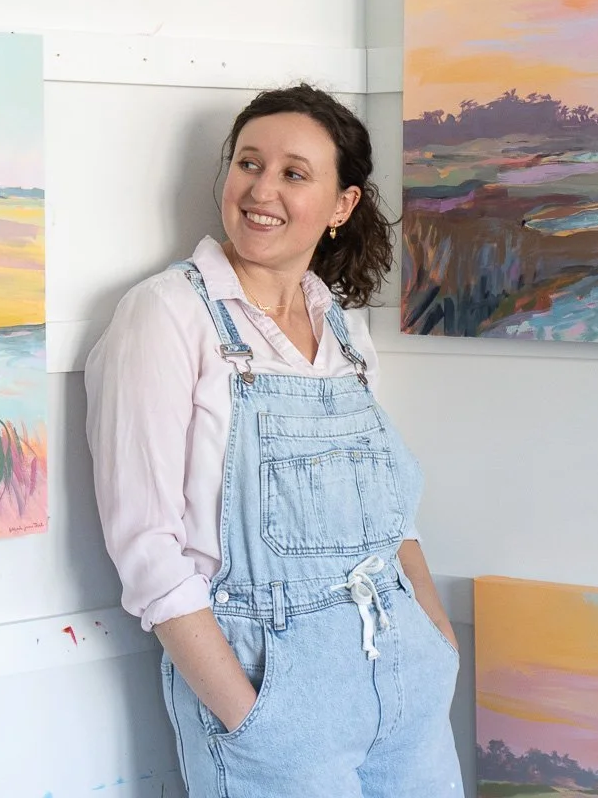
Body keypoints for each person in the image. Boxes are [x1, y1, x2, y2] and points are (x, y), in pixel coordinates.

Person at [84, 84, 463, 796]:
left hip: (406, 679)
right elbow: (147, 548)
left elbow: (394, 520)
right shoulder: (167, 314)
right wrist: (250, 718)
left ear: (342, 205)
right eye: (249, 163)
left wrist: (438, 644)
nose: (262, 190)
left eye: (294, 173)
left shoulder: (343, 330)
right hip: (272, 690)